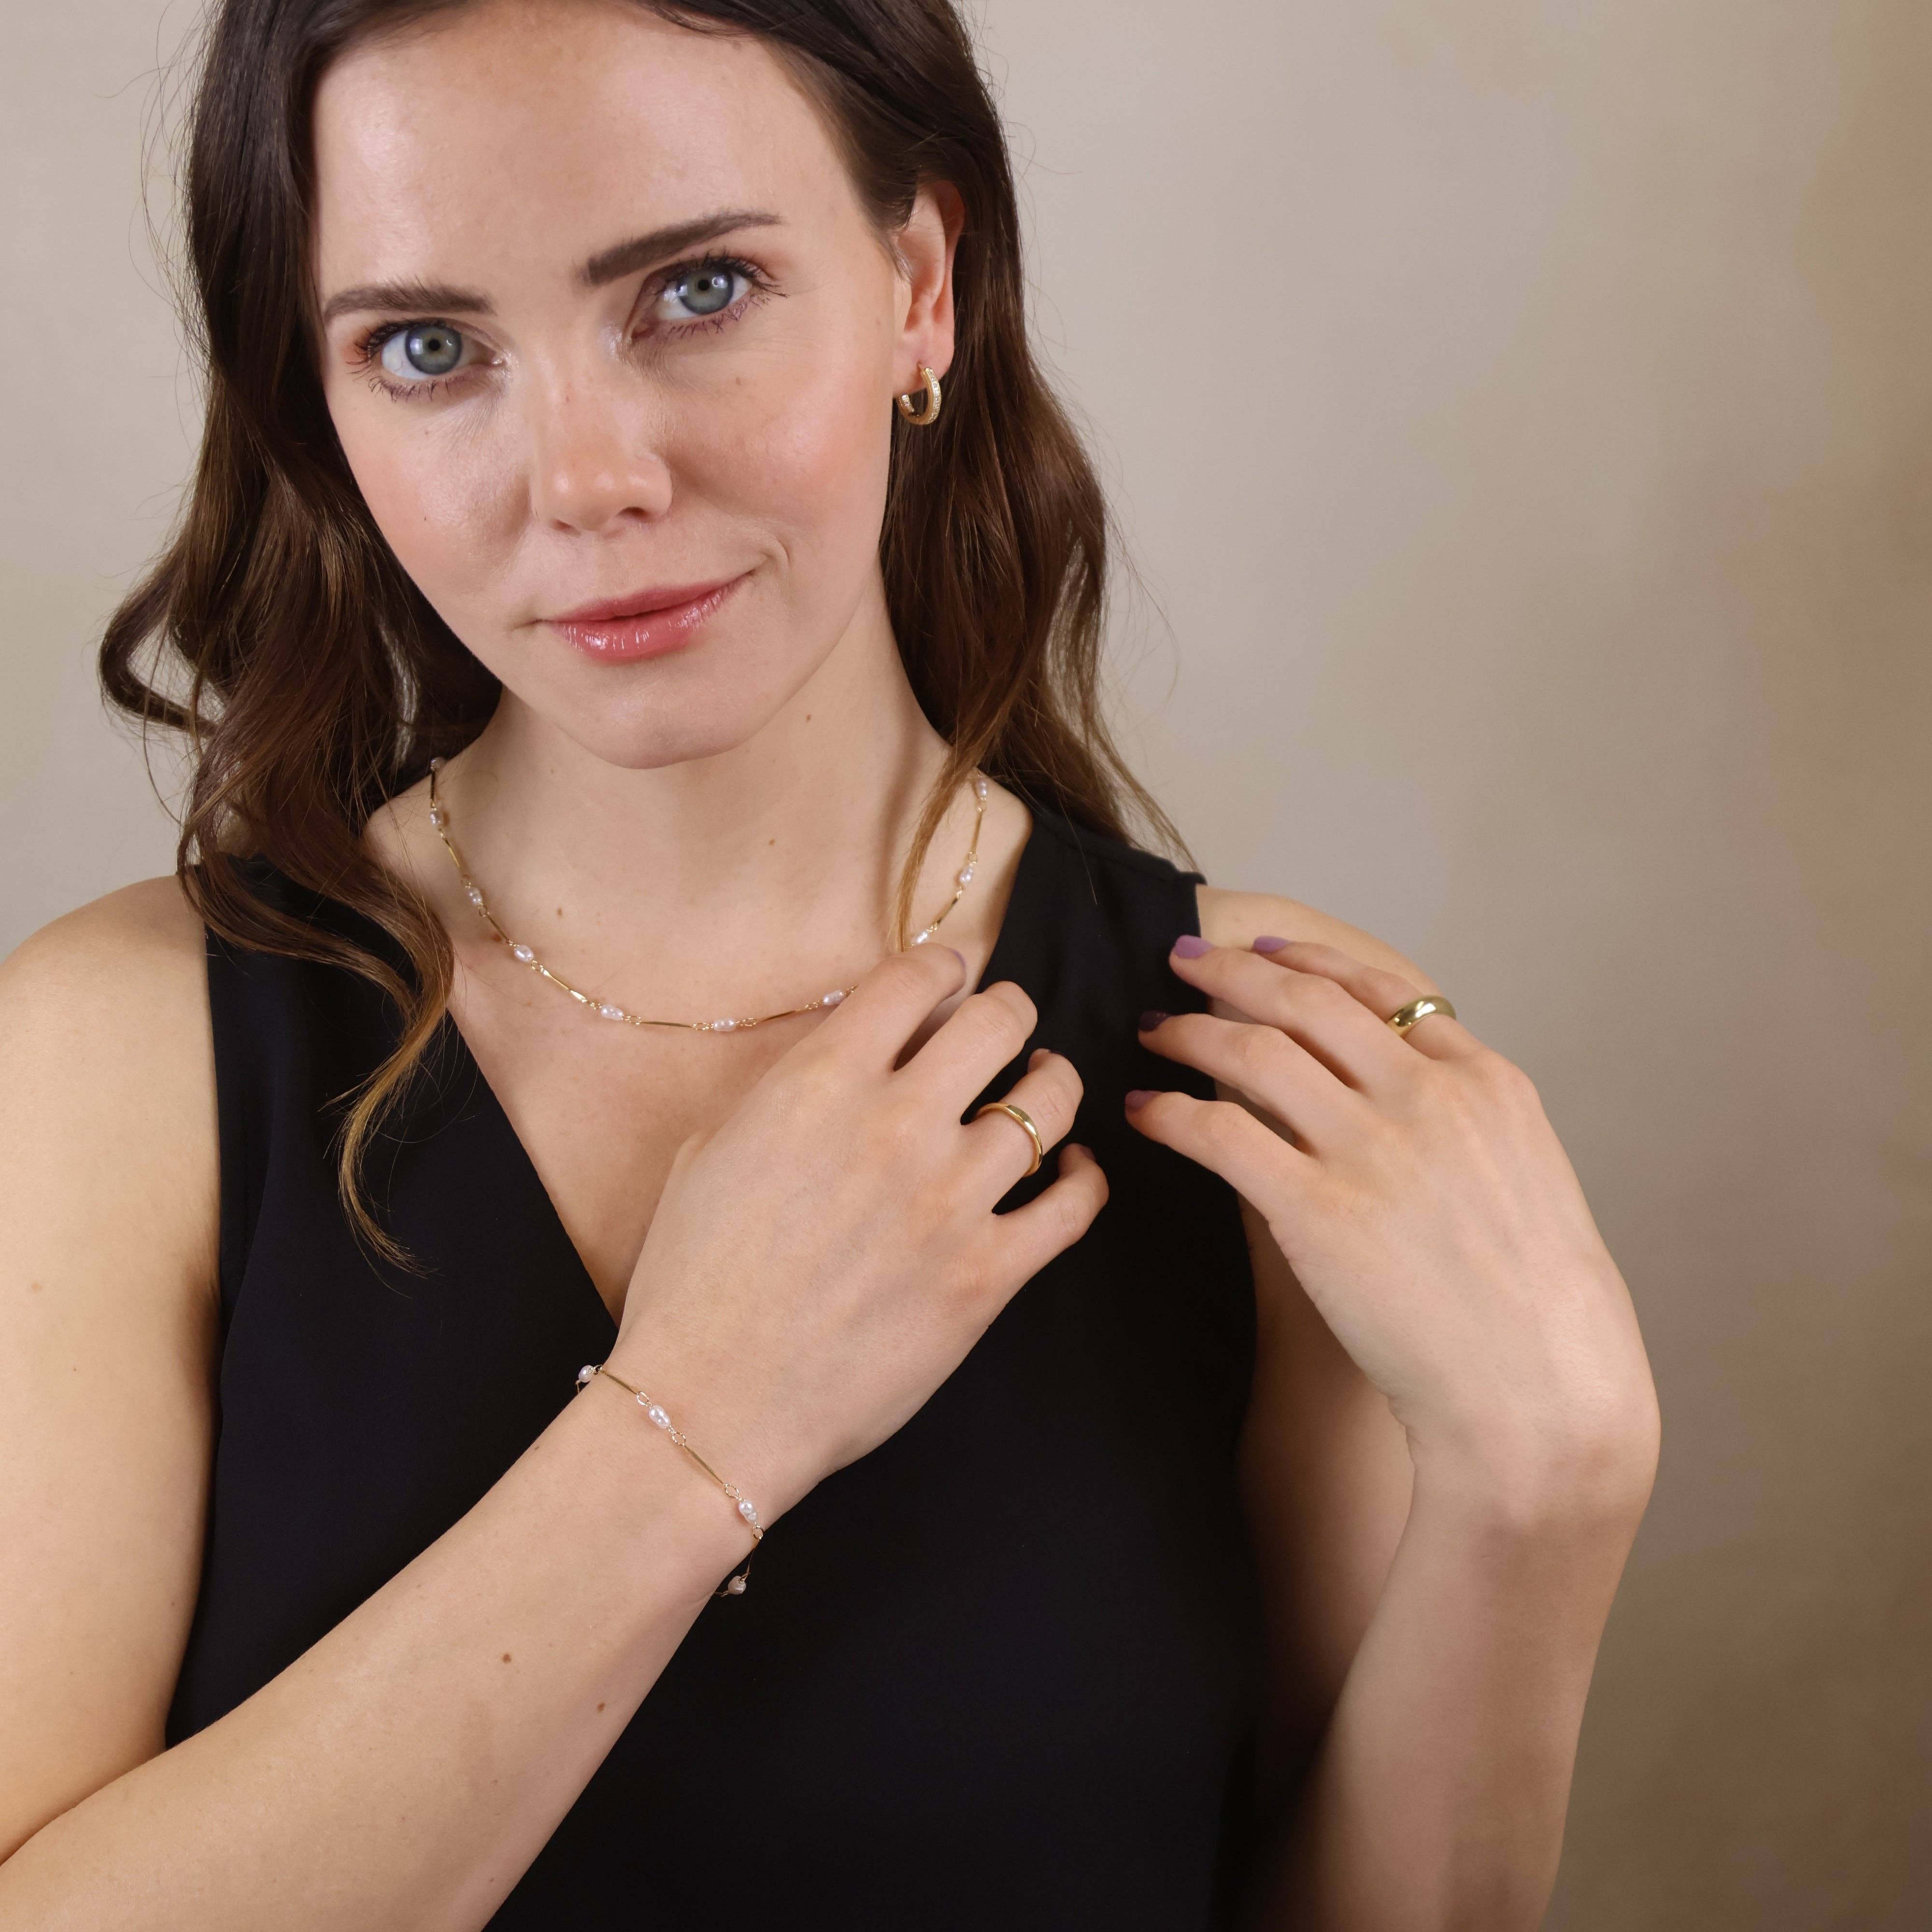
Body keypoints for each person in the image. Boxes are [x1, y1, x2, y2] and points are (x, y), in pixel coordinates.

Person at [0, 1, 1662, 1925]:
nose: (586, 476)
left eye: (696, 290)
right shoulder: (110, 1065)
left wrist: (1549, 1492)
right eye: (428, 348)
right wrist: (695, 1424)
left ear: (919, 288)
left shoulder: (1260, 1066)